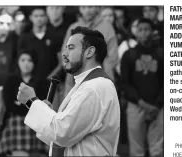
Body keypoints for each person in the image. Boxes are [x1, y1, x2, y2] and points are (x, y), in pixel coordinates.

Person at [17, 27, 120, 157]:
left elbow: (63, 134)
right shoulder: (86, 85)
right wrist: (48, 114)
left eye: (71, 48)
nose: (64, 54)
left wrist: (32, 101)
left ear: (89, 52)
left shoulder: (94, 87)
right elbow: (61, 138)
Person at [120, 19, 164, 157]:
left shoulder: (162, 54)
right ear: (136, 33)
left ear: (152, 32)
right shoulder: (129, 54)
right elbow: (125, 83)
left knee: (158, 149)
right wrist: (142, 103)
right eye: (140, 30)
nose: (144, 33)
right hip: (136, 105)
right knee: (136, 149)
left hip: (159, 107)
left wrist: (157, 105)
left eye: (147, 29)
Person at [0, 50, 48, 157]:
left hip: (36, 122)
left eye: (29, 60)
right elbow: (9, 105)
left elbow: (42, 104)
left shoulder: (41, 81)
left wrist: (20, 104)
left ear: (34, 63)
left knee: (37, 153)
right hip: (16, 122)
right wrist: (29, 106)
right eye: (23, 60)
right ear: (18, 62)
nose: (26, 63)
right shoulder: (10, 80)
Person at [62, 7, 118, 88]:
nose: (87, 10)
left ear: (96, 7)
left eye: (90, 6)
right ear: (80, 8)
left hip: (102, 75)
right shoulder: (73, 27)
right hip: (75, 77)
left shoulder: (107, 26)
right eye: (84, 7)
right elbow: (65, 53)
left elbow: (113, 55)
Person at [18, 7, 61, 95]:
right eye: (36, 16)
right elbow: (19, 61)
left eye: (42, 16)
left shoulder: (54, 36)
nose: (39, 18)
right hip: (30, 84)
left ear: (46, 17)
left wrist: (51, 77)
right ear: (30, 17)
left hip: (50, 84)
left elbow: (61, 62)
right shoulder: (24, 38)